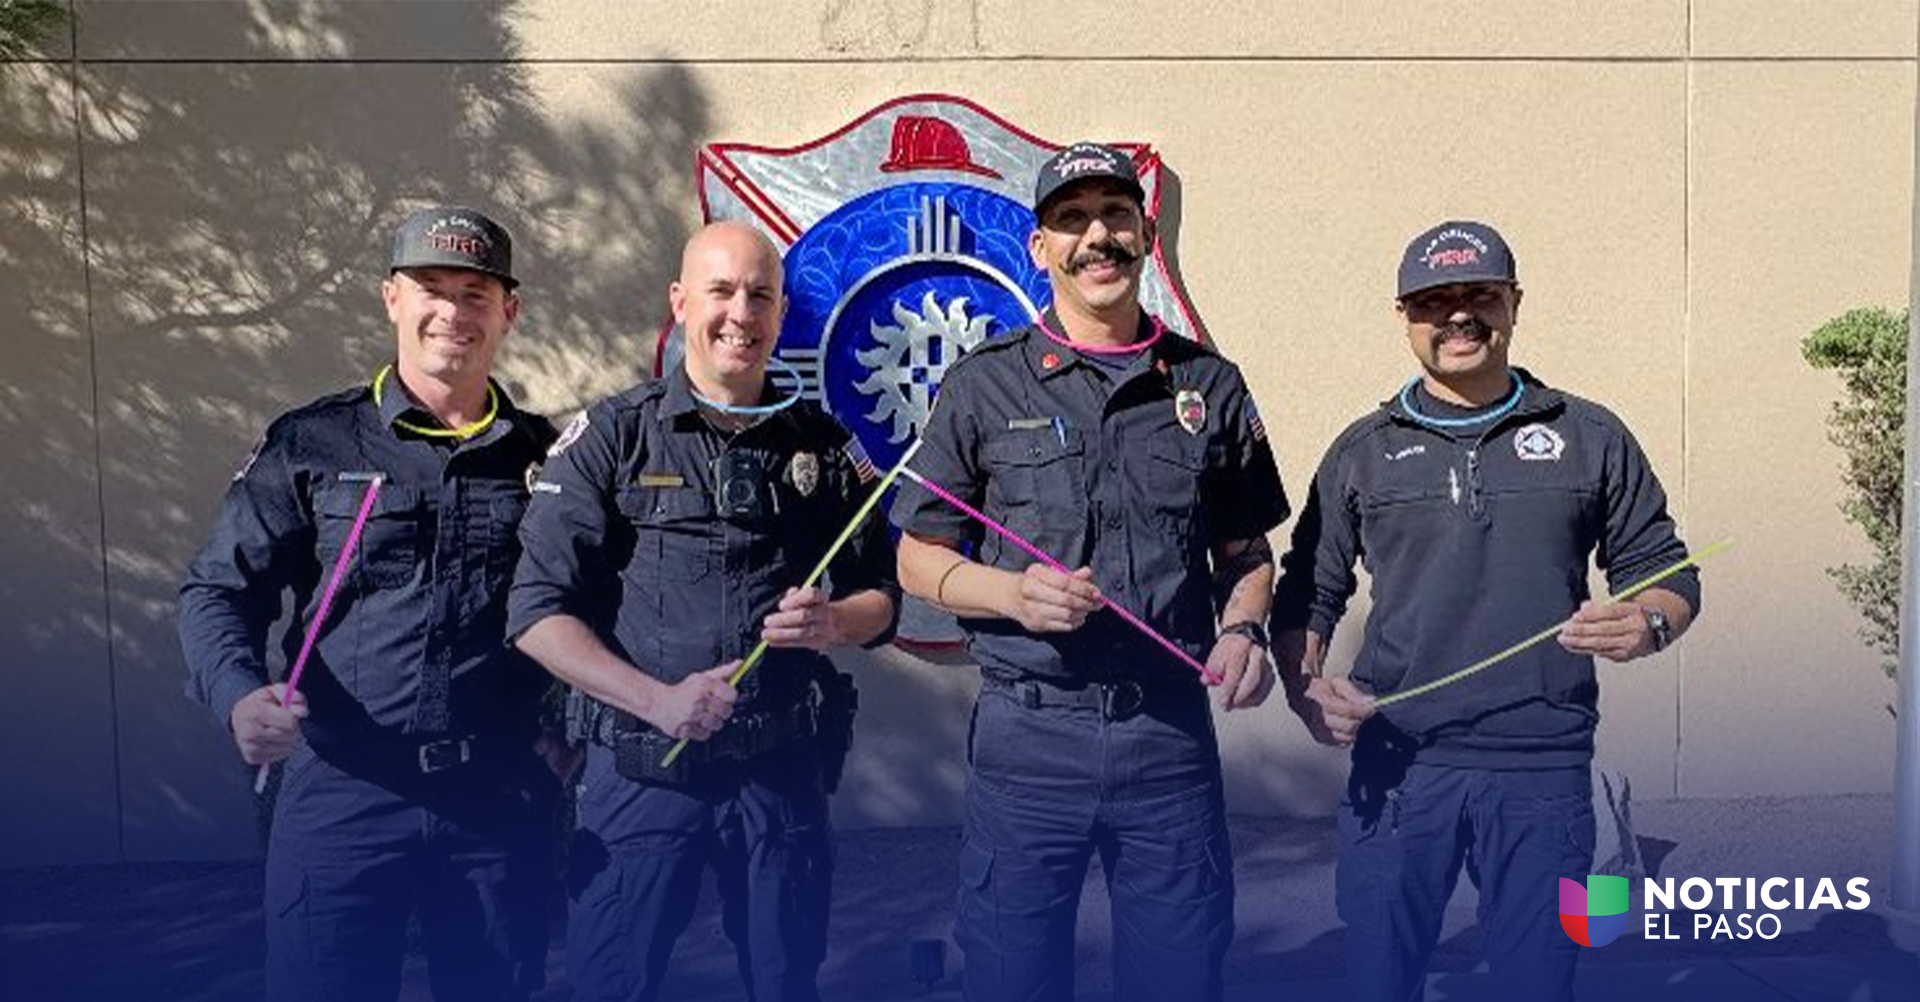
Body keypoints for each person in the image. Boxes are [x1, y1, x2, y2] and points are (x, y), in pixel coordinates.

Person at [890, 142, 1289, 1002]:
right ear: (1041, 248)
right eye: (1072, 221)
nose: (1096, 238)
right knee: (1011, 978)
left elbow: (1248, 556)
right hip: (1028, 740)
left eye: (1114, 216)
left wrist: (1244, 628)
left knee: (1181, 976)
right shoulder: (982, 386)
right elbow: (917, 560)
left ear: (1145, 233)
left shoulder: (1207, 386)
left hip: (1168, 738)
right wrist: (1012, 595)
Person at [1272, 219, 1702, 1002]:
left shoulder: (1588, 437)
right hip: (1400, 765)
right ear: (1404, 316)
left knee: (1539, 981)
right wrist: (1305, 688)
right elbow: (1309, 588)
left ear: (1513, 304)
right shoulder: (1363, 451)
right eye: (1435, 301)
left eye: (1480, 295)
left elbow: (1668, 573)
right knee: (1378, 978)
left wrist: (1649, 623)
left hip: (1543, 767)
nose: (1459, 315)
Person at [508, 221, 899, 1002]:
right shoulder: (615, 437)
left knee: (786, 983)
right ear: (681, 302)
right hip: (642, 773)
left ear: (783, 315)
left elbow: (883, 600)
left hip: (779, 774)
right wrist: (659, 702)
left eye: (761, 296)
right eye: (721, 291)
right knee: (614, 983)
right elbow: (534, 613)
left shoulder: (822, 448)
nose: (741, 314)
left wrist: (836, 623)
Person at [178, 206, 559, 1002]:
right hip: (343, 789)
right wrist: (240, 697)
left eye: (475, 292)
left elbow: (587, 603)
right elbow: (219, 590)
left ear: (508, 312)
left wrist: (575, 726)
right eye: (430, 288)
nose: (452, 312)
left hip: (494, 796)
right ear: (391, 298)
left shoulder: (545, 459)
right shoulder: (313, 443)